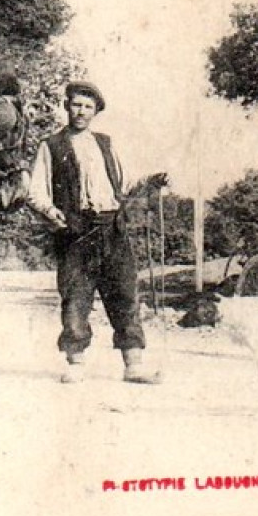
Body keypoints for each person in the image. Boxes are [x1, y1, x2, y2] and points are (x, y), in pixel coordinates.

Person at [28, 82, 162, 385]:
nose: (81, 111)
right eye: (76, 104)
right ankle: (76, 362)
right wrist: (52, 213)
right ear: (66, 106)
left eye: (88, 107)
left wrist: (151, 184)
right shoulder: (50, 146)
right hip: (75, 230)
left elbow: (124, 183)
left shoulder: (106, 143)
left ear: (96, 111)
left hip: (112, 227)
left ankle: (133, 365)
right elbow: (36, 191)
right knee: (75, 296)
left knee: (125, 293)